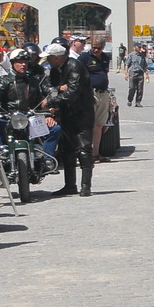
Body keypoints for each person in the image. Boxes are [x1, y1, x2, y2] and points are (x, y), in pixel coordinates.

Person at [41, 42, 94, 196]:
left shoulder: (74, 66)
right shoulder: (55, 69)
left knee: (84, 149)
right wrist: (57, 89)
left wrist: (51, 100)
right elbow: (48, 86)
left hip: (82, 112)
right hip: (66, 112)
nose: (48, 61)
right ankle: (70, 185)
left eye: (50, 58)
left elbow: (73, 92)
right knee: (67, 149)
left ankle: (86, 186)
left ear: (58, 57)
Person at [81, 36, 113, 160]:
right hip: (90, 93)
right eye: (93, 47)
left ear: (103, 47)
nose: (95, 50)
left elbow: (105, 74)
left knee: (99, 124)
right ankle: (86, 153)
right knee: (88, 124)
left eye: (98, 48)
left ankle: (96, 153)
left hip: (103, 93)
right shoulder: (84, 57)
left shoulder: (105, 58)